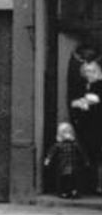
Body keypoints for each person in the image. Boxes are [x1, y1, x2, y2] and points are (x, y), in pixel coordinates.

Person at [70, 59, 102, 194]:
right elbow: (74, 103)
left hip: (98, 125)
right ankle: (91, 185)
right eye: (87, 71)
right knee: (90, 155)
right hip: (87, 126)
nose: (89, 73)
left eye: (92, 71)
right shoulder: (82, 86)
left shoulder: (99, 85)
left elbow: (95, 100)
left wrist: (86, 101)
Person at [44, 122, 88, 199]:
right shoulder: (59, 145)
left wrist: (85, 160)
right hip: (64, 165)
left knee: (72, 178)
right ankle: (65, 192)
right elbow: (52, 152)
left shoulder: (74, 145)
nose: (66, 134)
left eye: (68, 132)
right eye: (64, 132)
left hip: (71, 164)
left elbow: (81, 153)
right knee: (65, 179)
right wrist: (48, 159)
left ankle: (72, 191)